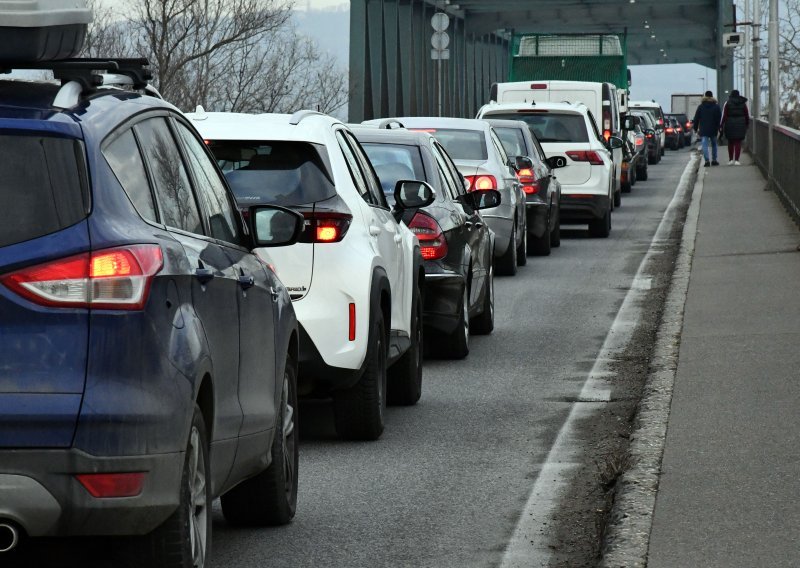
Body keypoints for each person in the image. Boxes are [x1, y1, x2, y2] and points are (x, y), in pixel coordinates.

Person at [692, 90, 723, 167]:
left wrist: (695, 129)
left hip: (704, 129)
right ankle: (714, 160)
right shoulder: (716, 107)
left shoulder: (701, 107)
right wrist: (720, 128)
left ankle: (707, 161)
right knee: (714, 144)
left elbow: (696, 119)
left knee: (704, 145)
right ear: (712, 97)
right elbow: (719, 118)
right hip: (714, 128)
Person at [720, 89, 750, 165]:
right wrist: (747, 124)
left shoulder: (727, 103)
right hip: (741, 124)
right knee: (738, 142)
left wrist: (721, 125)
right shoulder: (743, 104)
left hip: (729, 123)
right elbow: (746, 114)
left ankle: (730, 160)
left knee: (730, 142)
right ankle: (737, 160)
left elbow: (724, 115)